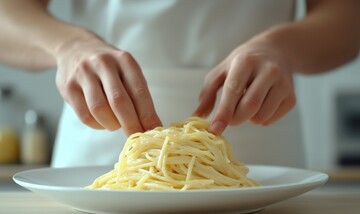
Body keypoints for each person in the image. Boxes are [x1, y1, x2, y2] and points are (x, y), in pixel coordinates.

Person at [0, 0, 359, 168]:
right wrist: (68, 46)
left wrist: (283, 47)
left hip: (257, 151)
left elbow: (347, 20)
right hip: (100, 148)